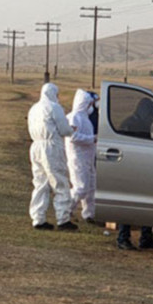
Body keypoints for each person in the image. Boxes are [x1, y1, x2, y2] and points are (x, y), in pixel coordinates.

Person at [115, 96, 153, 250]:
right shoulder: (130, 125)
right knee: (128, 206)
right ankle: (123, 238)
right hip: (130, 172)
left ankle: (146, 238)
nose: (152, 120)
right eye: (151, 116)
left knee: (147, 204)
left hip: (143, 171)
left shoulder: (142, 124)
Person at [28, 82, 76, 231]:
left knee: (40, 183)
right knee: (59, 181)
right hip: (51, 146)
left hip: (36, 146)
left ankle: (38, 218)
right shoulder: (54, 108)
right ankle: (63, 219)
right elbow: (63, 129)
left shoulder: (33, 108)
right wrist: (71, 130)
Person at [66, 89, 97, 223]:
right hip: (78, 158)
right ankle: (66, 209)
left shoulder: (85, 118)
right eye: (90, 104)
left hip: (88, 157)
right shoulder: (74, 117)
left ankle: (89, 214)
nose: (91, 107)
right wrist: (92, 139)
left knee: (91, 187)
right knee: (80, 187)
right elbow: (73, 137)